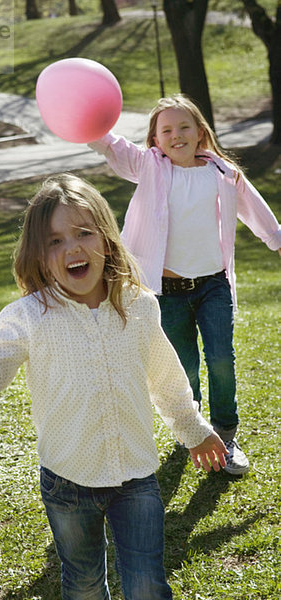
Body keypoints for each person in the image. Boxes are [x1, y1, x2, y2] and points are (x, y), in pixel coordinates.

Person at [0, 174, 227, 599]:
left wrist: (193, 430)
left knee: (147, 585)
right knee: (83, 585)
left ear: (106, 240)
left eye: (83, 233)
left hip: (136, 475)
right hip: (67, 481)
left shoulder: (138, 306)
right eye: (55, 241)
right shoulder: (26, 317)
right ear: (39, 256)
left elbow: (167, 381)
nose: (72, 248)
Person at [89, 94, 281, 476]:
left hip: (213, 286)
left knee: (221, 359)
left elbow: (258, 214)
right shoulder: (148, 167)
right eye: (166, 130)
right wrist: (86, 120)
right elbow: (111, 145)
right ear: (155, 140)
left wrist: (277, 241)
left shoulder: (224, 174)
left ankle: (226, 435)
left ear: (200, 132)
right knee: (184, 367)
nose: (176, 135)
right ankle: (192, 432)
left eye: (184, 127)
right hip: (167, 291)